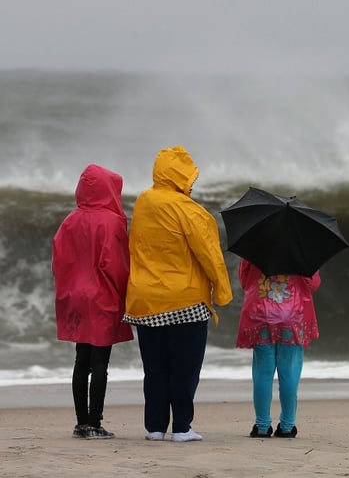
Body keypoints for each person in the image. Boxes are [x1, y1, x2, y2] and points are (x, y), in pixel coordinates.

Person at [123, 145, 233, 443]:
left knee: (155, 369)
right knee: (184, 370)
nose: (192, 184)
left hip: (145, 300)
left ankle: (155, 427)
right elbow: (210, 255)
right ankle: (182, 428)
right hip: (185, 301)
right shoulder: (191, 211)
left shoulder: (143, 202)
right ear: (180, 177)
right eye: (190, 178)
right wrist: (222, 293)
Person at [52, 164, 134, 440]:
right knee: (100, 362)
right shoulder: (112, 222)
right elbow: (117, 266)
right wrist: (127, 294)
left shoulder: (70, 221)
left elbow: (58, 262)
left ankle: (81, 423)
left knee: (81, 361)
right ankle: (96, 423)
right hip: (102, 297)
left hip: (75, 297)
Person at [235, 259, 321, 438]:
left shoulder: (254, 243)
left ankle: (262, 426)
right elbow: (313, 283)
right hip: (292, 315)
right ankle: (288, 426)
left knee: (262, 373)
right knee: (289, 372)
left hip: (260, 313)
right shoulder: (301, 249)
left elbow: (244, 281)